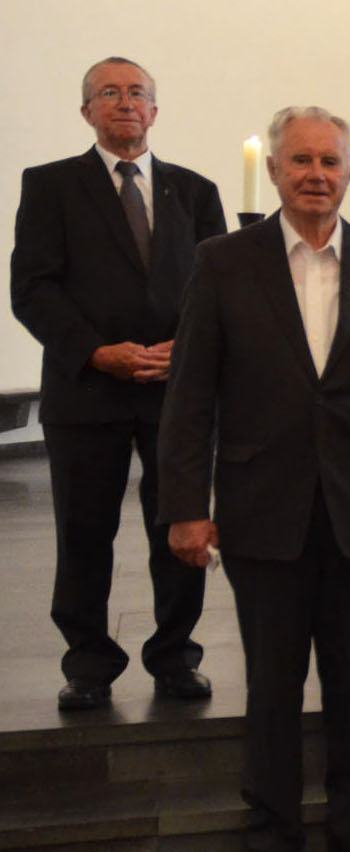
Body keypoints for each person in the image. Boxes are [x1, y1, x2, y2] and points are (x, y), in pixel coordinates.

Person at [159, 106, 350, 852]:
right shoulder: (222, 262)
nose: (316, 173)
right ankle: (271, 839)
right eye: (300, 160)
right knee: (272, 684)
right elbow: (191, 399)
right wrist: (187, 505)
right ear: (277, 173)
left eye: (330, 161)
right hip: (260, 509)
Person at [10, 56, 223, 711]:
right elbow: (32, 289)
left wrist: (183, 352)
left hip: (174, 391)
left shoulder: (194, 190)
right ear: (87, 112)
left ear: (154, 111)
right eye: (109, 92)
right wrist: (98, 352)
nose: (124, 102)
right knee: (84, 532)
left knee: (182, 530)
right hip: (86, 391)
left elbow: (220, 291)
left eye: (137, 93)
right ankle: (89, 663)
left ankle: (175, 656)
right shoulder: (50, 186)